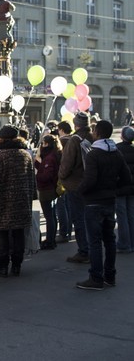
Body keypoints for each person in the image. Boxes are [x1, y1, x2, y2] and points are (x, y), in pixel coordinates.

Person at [76, 120, 131, 290]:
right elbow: (127, 178)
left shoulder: (94, 154)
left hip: (94, 202)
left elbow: (90, 179)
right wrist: (114, 190)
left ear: (97, 133)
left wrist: (81, 191)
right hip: (109, 201)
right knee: (109, 240)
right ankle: (110, 275)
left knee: (95, 241)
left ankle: (96, 277)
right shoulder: (116, 153)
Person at [0, 125, 35, 277]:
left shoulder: (0, 156)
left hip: (3, 201)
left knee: (3, 234)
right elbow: (31, 179)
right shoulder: (26, 154)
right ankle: (17, 265)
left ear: (1, 138)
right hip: (22, 200)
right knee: (18, 234)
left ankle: (3, 266)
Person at [58, 112, 93, 263]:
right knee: (90, 218)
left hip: (76, 184)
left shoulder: (74, 140)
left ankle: (84, 251)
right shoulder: (92, 137)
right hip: (91, 183)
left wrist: (61, 177)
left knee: (78, 219)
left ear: (76, 124)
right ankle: (91, 248)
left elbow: (66, 165)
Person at [35, 135, 62, 250]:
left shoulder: (50, 158)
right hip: (51, 188)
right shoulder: (52, 155)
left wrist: (37, 176)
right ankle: (51, 239)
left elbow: (47, 175)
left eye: (43, 143)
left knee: (49, 216)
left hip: (47, 189)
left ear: (47, 144)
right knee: (51, 215)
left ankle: (50, 240)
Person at [115, 126, 134, 253]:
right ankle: (132, 242)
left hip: (120, 186)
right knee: (131, 214)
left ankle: (124, 243)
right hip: (132, 187)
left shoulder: (118, 149)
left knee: (121, 215)